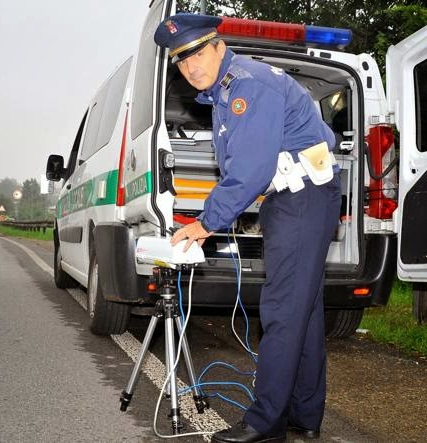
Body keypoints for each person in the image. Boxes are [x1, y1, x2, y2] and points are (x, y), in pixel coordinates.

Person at [154, 13, 342, 443]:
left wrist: (205, 223)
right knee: (304, 313)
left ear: (218, 45)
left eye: (198, 54)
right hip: (298, 199)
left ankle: (265, 423)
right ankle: (304, 414)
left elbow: (250, 170)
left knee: (280, 311)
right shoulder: (225, 93)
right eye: (182, 63)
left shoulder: (246, 86)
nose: (191, 68)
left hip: (302, 199)